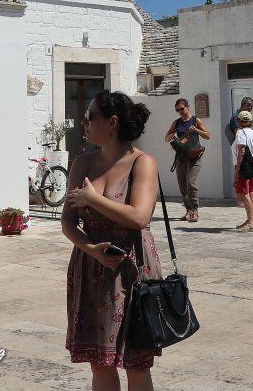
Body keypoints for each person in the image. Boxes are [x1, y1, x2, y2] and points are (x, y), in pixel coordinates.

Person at [62, 91, 163, 389]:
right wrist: (90, 248)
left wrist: (93, 199)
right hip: (91, 268)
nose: (84, 121)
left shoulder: (142, 163)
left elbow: (139, 217)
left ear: (113, 122)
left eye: (91, 115)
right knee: (100, 364)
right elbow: (68, 222)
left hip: (132, 270)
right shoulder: (81, 164)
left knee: (137, 364)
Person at [164, 97, 210, 222]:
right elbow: (166, 138)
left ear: (187, 107)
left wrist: (196, 130)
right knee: (183, 186)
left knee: (191, 182)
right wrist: (172, 136)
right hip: (181, 157)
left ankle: (195, 210)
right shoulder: (177, 123)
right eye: (177, 110)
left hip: (194, 157)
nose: (180, 111)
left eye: (182, 109)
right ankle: (188, 210)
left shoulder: (195, 120)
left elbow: (208, 136)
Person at [232, 109, 253, 231]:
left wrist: (237, 169)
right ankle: (250, 220)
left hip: (244, 165)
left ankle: (250, 222)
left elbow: (241, 151)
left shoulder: (240, 133)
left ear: (239, 121)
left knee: (244, 193)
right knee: (251, 193)